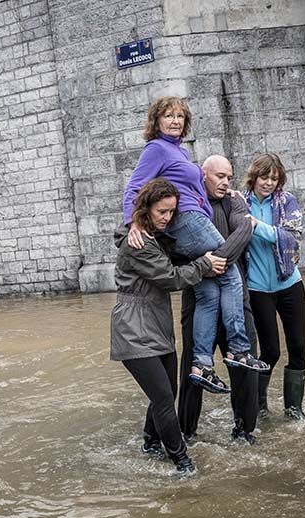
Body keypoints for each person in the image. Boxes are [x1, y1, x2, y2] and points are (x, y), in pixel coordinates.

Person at [123, 96, 268, 395]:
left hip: (189, 223)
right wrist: (133, 223)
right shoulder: (156, 149)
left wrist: (230, 193)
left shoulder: (178, 150)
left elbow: (197, 186)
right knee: (230, 276)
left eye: (180, 116)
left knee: (209, 294)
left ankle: (202, 364)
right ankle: (239, 349)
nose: (175, 121)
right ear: (156, 120)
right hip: (188, 221)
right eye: (168, 115)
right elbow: (134, 187)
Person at [111, 178, 227, 474]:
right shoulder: (137, 244)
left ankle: (151, 443)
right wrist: (204, 264)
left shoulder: (149, 234)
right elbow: (171, 278)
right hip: (133, 329)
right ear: (146, 209)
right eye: (162, 211)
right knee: (163, 398)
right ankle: (183, 463)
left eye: (172, 212)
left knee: (166, 393)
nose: (167, 218)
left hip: (157, 324)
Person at [178, 155, 260, 444]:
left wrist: (214, 262)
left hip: (237, 298)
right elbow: (176, 249)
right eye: (219, 177)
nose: (225, 182)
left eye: (229, 177)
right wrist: (203, 266)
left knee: (245, 366)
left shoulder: (234, 202)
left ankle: (244, 430)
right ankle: (186, 432)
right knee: (193, 367)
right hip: (199, 298)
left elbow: (244, 230)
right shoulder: (186, 203)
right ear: (202, 175)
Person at [243, 153, 305, 420]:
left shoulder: (286, 201)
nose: (269, 183)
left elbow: (292, 237)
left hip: (290, 284)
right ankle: (258, 406)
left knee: (299, 347)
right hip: (258, 289)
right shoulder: (239, 203)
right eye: (264, 177)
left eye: (274, 178)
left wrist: (258, 226)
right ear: (254, 177)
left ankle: (294, 408)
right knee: (270, 350)